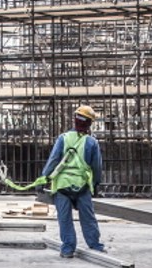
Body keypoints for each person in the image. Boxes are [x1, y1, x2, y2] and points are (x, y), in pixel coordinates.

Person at [41, 104, 105, 258]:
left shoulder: (63, 138)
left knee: (64, 218)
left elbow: (53, 161)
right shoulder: (92, 143)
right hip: (82, 186)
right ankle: (95, 246)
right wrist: (96, 184)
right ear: (89, 124)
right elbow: (96, 167)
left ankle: (68, 248)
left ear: (74, 120)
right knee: (88, 217)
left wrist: (44, 179)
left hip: (62, 186)